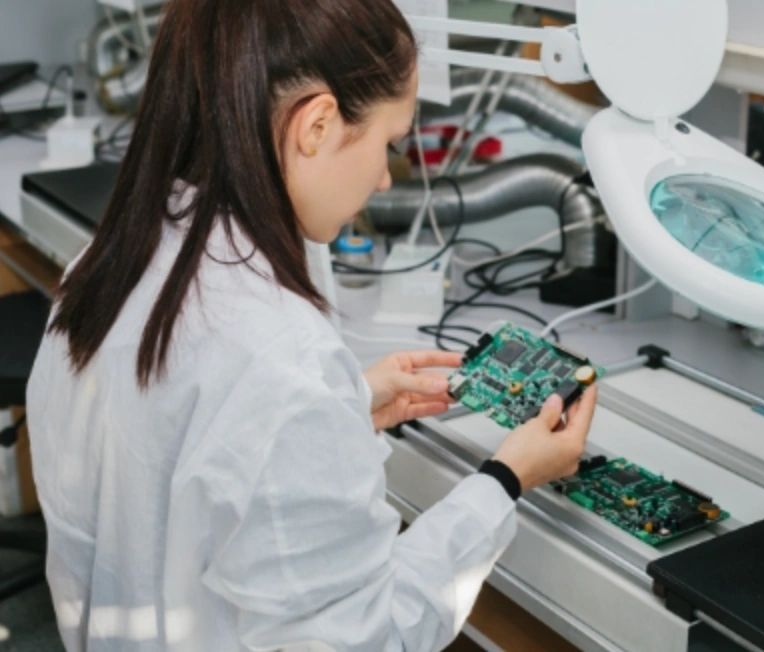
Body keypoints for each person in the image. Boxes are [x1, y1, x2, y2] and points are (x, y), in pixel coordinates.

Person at [25, 1, 598, 650]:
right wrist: (504, 481)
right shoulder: (281, 360)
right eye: (387, 142)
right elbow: (375, 637)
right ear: (317, 124)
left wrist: (347, 403)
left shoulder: (105, 263)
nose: (386, 177)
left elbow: (177, 462)